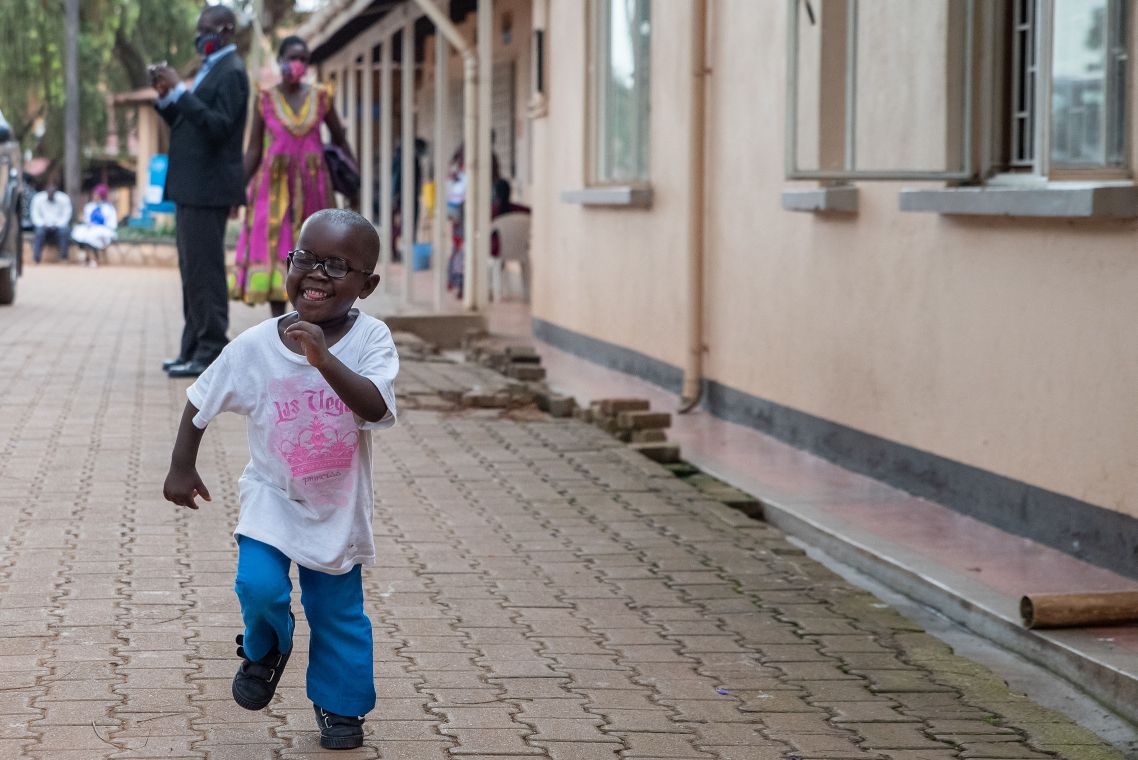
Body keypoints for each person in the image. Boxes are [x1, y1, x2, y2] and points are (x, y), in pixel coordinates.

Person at [163, 209, 398, 751]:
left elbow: (377, 407)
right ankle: (267, 646)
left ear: (368, 284)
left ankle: (340, 707)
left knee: (336, 612)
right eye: (305, 258)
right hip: (271, 496)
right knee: (258, 586)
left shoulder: (371, 341)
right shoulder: (255, 345)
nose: (316, 273)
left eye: (338, 266)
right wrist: (181, 465)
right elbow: (201, 399)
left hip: (336, 504)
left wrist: (324, 361)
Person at [151, 5, 249, 378]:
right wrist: (167, 97)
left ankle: (211, 351)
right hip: (191, 187)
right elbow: (189, 122)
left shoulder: (233, 71)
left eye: (206, 29)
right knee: (190, 270)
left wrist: (181, 90)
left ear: (225, 30)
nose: (199, 36)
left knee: (205, 272)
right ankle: (191, 347)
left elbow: (219, 126)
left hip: (208, 189)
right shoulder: (212, 69)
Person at [232, 35, 354, 318]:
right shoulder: (264, 100)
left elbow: (339, 140)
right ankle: (278, 325)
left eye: (304, 59)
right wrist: (235, 192)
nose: (298, 64)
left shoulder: (321, 97)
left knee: (315, 249)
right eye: (293, 58)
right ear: (280, 61)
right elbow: (252, 151)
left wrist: (354, 178)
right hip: (272, 191)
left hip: (315, 188)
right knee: (278, 249)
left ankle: (310, 317)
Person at [71, 184, 119, 267]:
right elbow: (87, 220)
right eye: (94, 194)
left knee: (92, 236)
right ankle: (86, 258)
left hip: (104, 230)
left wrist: (101, 227)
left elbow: (111, 223)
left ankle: (95, 259)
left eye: (96, 194)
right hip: (90, 227)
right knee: (79, 233)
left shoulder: (109, 208)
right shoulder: (89, 206)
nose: (94, 196)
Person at [30, 179, 73, 264]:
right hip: (43, 225)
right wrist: (43, 224)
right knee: (39, 233)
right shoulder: (38, 198)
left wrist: (57, 224)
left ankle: (64, 258)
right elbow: (35, 215)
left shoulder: (64, 198)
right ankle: (36, 259)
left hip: (59, 226)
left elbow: (66, 215)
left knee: (64, 232)